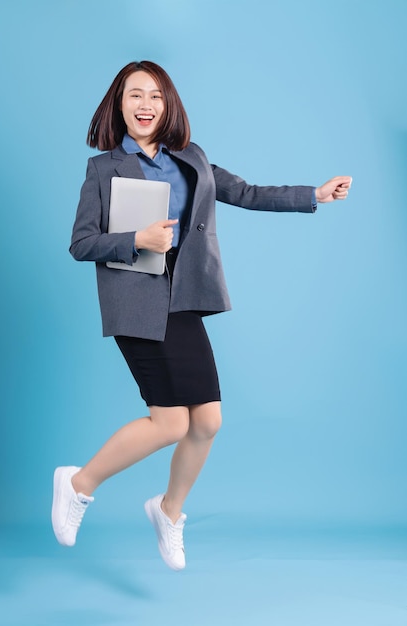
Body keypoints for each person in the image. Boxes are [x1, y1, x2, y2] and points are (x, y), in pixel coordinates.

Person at [52, 60, 351, 571]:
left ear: (168, 106)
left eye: (156, 97)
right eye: (134, 96)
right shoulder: (103, 169)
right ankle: (78, 483)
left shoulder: (192, 158)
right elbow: (81, 243)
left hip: (183, 299)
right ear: (118, 105)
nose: (145, 105)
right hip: (136, 304)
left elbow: (248, 192)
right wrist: (135, 241)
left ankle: (169, 512)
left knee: (207, 421)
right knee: (170, 425)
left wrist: (314, 195)